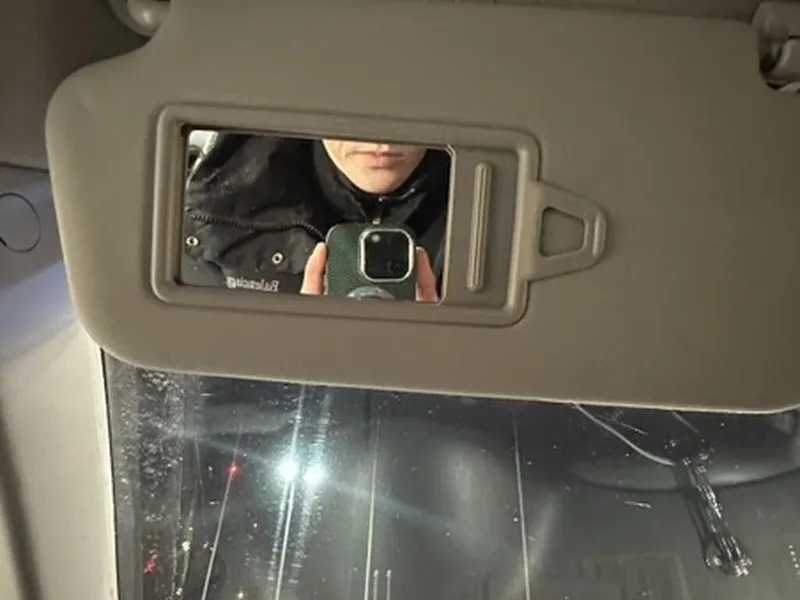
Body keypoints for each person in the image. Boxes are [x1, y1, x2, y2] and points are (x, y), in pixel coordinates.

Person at [181, 133, 450, 301]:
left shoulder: (475, 225)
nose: (382, 140)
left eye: (407, 97)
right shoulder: (212, 226)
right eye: (353, 97)